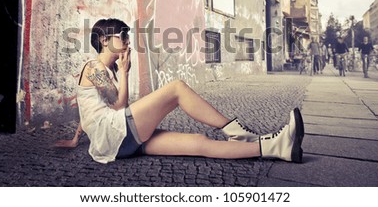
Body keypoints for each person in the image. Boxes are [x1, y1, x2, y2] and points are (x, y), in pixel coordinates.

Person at [55, 18, 305, 164]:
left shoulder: (103, 71)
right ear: (104, 40)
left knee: (200, 143)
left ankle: (276, 148)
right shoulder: (94, 67)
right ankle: (238, 131)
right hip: (114, 134)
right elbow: (118, 106)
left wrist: (77, 138)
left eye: (128, 36)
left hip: (118, 142)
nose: (128, 41)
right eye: (122, 36)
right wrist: (127, 71)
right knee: (175, 88)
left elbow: (89, 108)